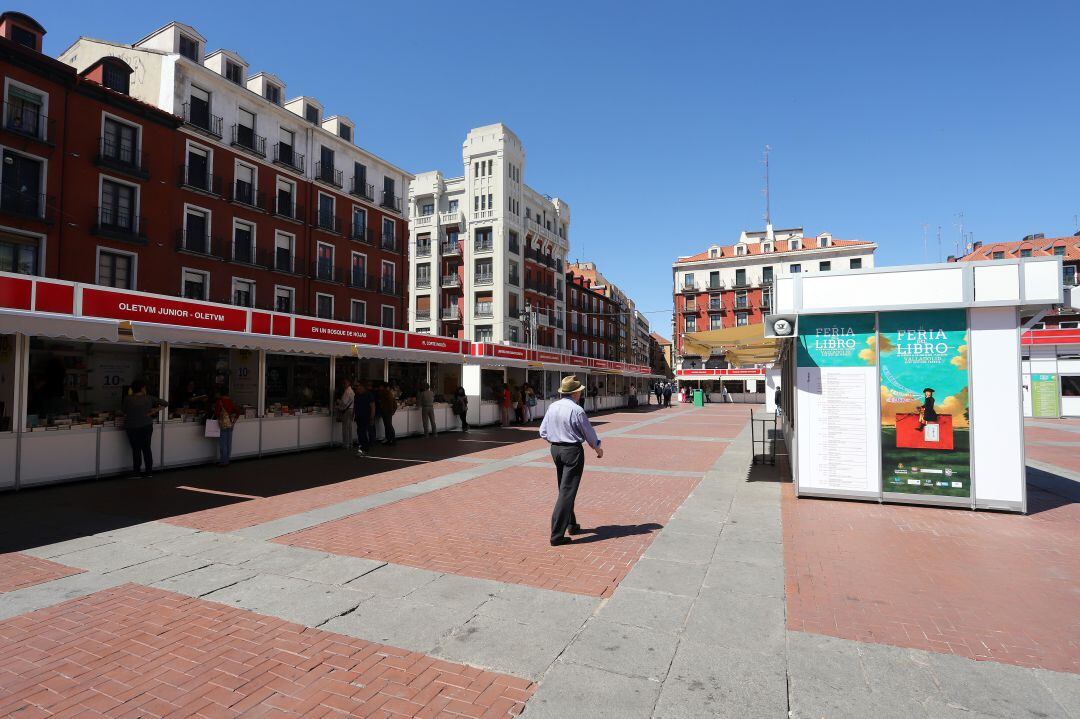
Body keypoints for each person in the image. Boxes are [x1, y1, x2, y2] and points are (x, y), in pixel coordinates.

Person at [540, 375, 604, 546]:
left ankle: (571, 524)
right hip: (572, 451)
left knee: (564, 487)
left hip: (556, 449)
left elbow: (543, 431)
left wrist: (556, 441)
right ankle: (556, 534)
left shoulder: (553, 406)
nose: (581, 394)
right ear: (575, 393)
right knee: (567, 491)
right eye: (580, 392)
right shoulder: (577, 410)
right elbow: (589, 433)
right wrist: (598, 448)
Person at [120, 379, 167, 477]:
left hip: (131, 426)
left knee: (136, 449)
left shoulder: (127, 399)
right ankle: (149, 472)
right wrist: (153, 411)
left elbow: (124, 411)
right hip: (146, 425)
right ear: (142, 388)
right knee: (146, 448)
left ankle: (136, 472)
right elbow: (165, 403)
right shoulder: (149, 398)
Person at [212, 391, 239, 466]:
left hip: (222, 425)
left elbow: (217, 413)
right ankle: (227, 459)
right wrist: (233, 422)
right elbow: (238, 412)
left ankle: (223, 462)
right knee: (228, 443)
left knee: (223, 444)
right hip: (230, 424)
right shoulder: (231, 401)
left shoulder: (219, 401)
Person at [353, 380, 377, 455]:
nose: (357, 388)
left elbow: (373, 407)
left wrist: (372, 417)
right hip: (358, 416)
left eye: (359, 386)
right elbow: (355, 405)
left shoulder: (369, 395)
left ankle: (365, 447)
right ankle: (363, 447)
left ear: (363, 387)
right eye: (357, 387)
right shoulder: (356, 395)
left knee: (363, 432)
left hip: (366, 417)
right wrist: (353, 414)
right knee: (360, 432)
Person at [376, 381, 397, 445]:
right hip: (386, 412)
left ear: (383, 387)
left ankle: (392, 440)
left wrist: (391, 411)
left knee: (388, 426)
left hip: (387, 412)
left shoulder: (387, 393)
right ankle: (389, 439)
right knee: (388, 426)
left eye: (380, 386)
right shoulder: (386, 393)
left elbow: (391, 404)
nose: (379, 388)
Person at [338, 379, 355, 449]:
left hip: (346, 411)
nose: (343, 385)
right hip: (351, 410)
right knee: (349, 427)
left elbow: (344, 402)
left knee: (345, 428)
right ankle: (350, 443)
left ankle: (346, 444)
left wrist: (339, 401)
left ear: (348, 383)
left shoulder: (347, 391)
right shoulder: (352, 391)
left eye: (345, 383)